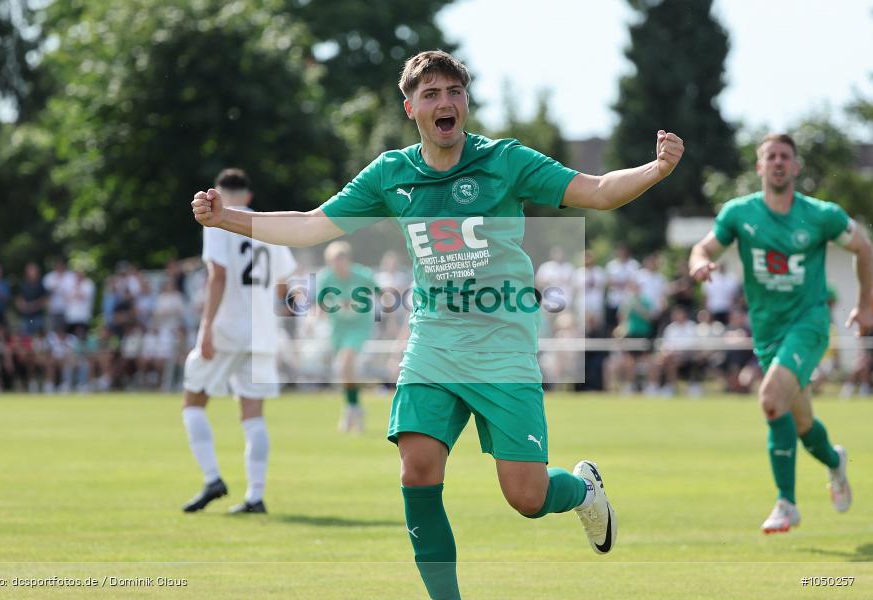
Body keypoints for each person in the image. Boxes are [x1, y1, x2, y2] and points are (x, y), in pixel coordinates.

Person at [191, 51, 684, 598]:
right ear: (411, 108)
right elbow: (310, 227)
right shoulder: (391, 174)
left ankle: (584, 492)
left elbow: (597, 191)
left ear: (465, 103)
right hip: (432, 343)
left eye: (453, 91)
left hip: (503, 347)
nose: (444, 102)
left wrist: (656, 169)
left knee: (526, 496)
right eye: (430, 94)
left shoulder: (505, 160)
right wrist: (225, 218)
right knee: (417, 471)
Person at [689, 133, 873, 534]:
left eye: (784, 157)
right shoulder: (740, 214)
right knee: (801, 423)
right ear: (759, 167)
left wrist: (867, 304)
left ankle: (786, 504)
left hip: (808, 326)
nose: (777, 162)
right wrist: (700, 264)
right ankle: (835, 462)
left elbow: (863, 247)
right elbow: (702, 248)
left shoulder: (821, 215)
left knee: (771, 400)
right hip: (768, 334)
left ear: (795, 167)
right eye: (770, 156)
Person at [181, 168, 297, 515]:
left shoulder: (217, 219)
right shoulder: (264, 223)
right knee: (253, 414)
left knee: (193, 401)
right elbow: (284, 282)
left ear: (216, 193)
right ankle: (255, 496)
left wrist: (206, 328)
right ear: (248, 197)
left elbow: (218, 275)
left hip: (228, 326)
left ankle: (212, 478)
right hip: (261, 330)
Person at [317, 241, 378, 433]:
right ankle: (353, 406)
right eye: (334, 262)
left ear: (348, 260)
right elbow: (321, 303)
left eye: (341, 261)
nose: (338, 266)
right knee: (345, 370)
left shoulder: (362, 275)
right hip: (338, 327)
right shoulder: (326, 278)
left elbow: (381, 293)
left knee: (346, 361)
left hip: (359, 326)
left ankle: (351, 408)